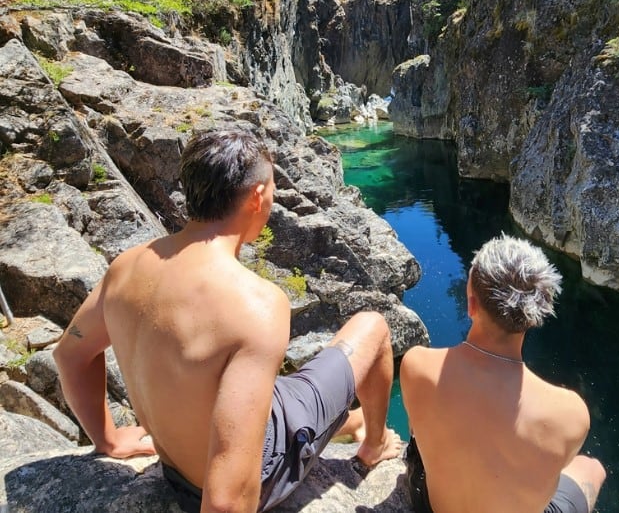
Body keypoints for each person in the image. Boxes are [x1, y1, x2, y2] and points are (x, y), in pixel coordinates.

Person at [53, 127, 402, 513]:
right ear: (256, 196)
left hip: (175, 468)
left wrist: (109, 440)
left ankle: (347, 423)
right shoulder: (257, 304)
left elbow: (69, 355)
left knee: (275, 384)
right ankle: (374, 445)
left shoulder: (127, 267)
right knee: (373, 327)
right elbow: (227, 502)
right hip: (258, 472)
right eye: (272, 189)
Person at [400, 234, 606, 513]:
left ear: (472, 305)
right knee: (591, 468)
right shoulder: (571, 414)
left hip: (431, 506)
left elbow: (417, 433)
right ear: (536, 314)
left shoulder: (417, 365)